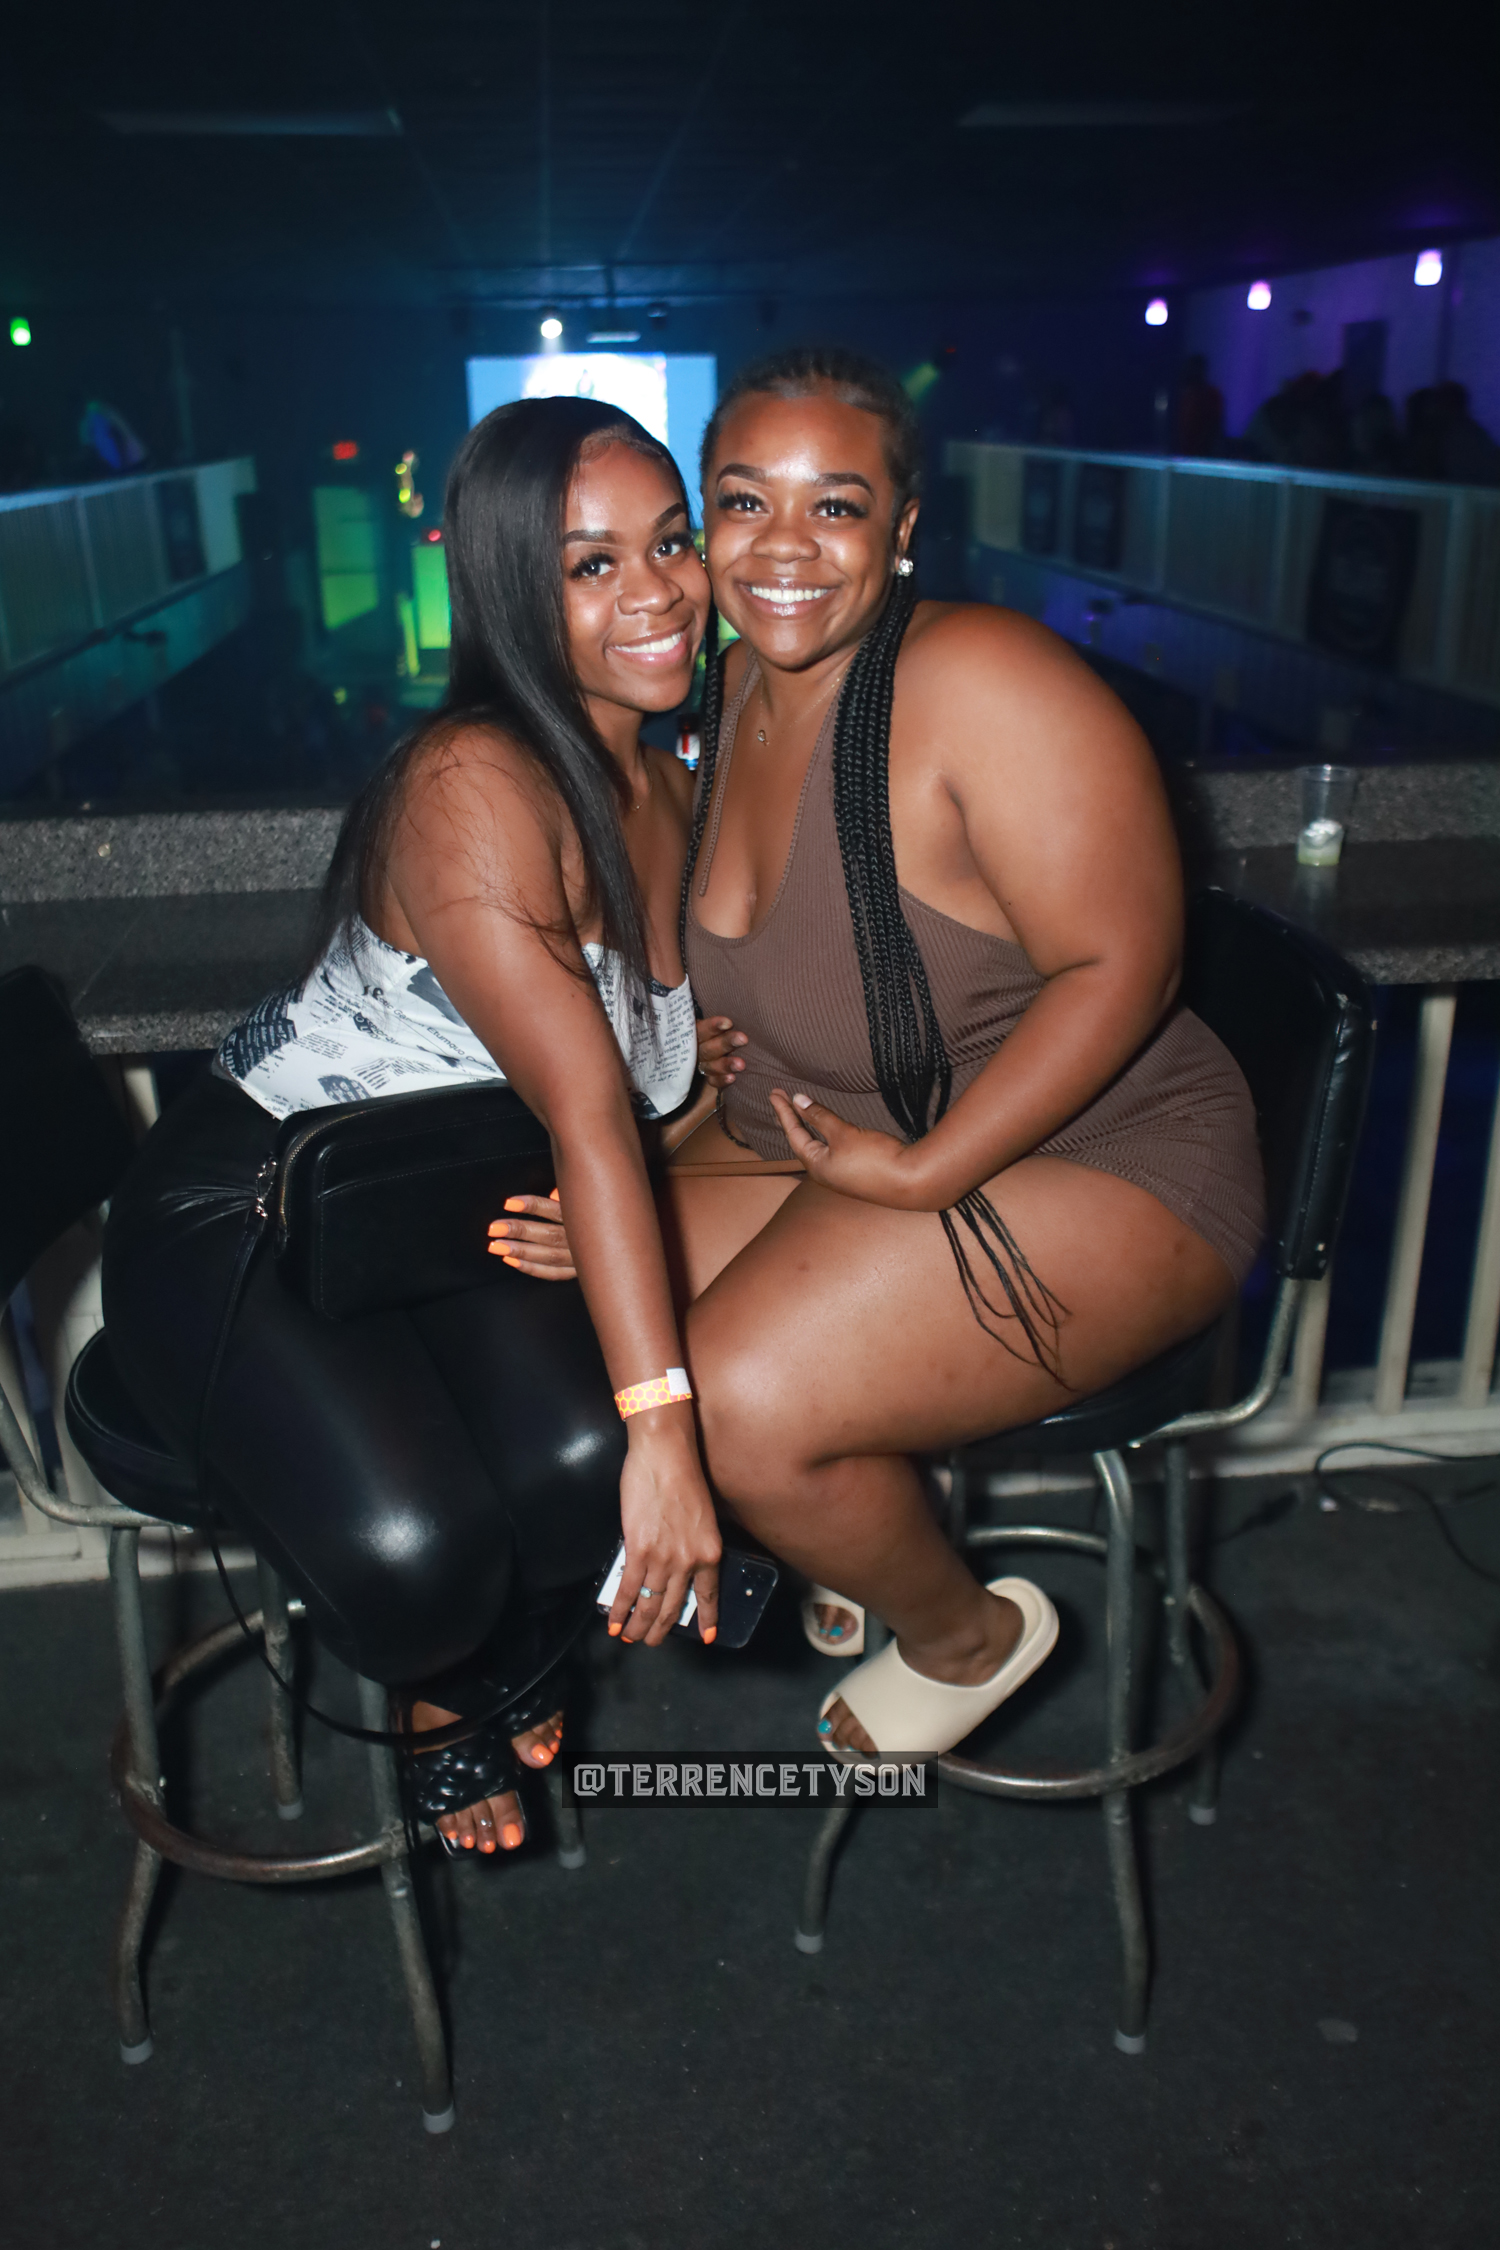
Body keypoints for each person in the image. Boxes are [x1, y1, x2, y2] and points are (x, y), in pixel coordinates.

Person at [511, 347, 1265, 1760]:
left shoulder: (981, 681)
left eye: (837, 506)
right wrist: (649, 1174)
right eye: (745, 503)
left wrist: (928, 1172)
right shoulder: (729, 690)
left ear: (904, 528)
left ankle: (969, 1634)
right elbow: (787, 1016)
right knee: (571, 1306)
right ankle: (840, 1520)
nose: (783, 547)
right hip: (858, 1141)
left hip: (1104, 1152)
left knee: (732, 1405)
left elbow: (1127, 969)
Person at [103, 396, 729, 1854]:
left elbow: (636, 1099)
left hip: (445, 1214)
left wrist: (701, 1099)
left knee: (573, 1474)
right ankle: (447, 1685)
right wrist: (669, 1432)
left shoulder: (676, 789)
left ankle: (491, 1643)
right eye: (590, 566)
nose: (657, 591)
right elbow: (587, 1108)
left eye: (671, 542)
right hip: (252, 1210)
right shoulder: (472, 785)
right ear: (509, 589)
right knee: (419, 1548)